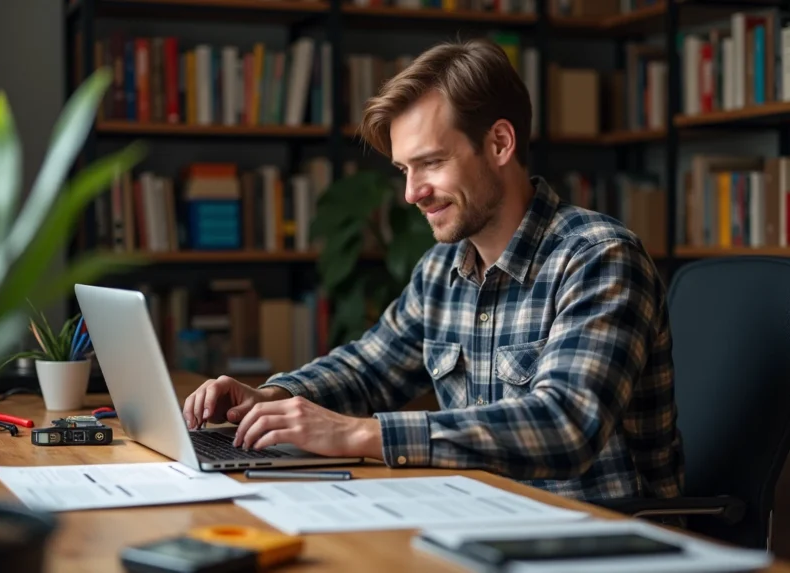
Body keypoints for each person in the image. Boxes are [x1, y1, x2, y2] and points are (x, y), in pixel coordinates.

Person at [183, 37, 684, 502]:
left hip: (597, 541)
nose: (411, 193)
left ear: (500, 143)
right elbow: (368, 369)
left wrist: (359, 434)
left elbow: (566, 425)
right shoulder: (441, 268)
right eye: (405, 170)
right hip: (476, 517)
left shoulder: (599, 257)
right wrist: (272, 396)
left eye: (432, 163)